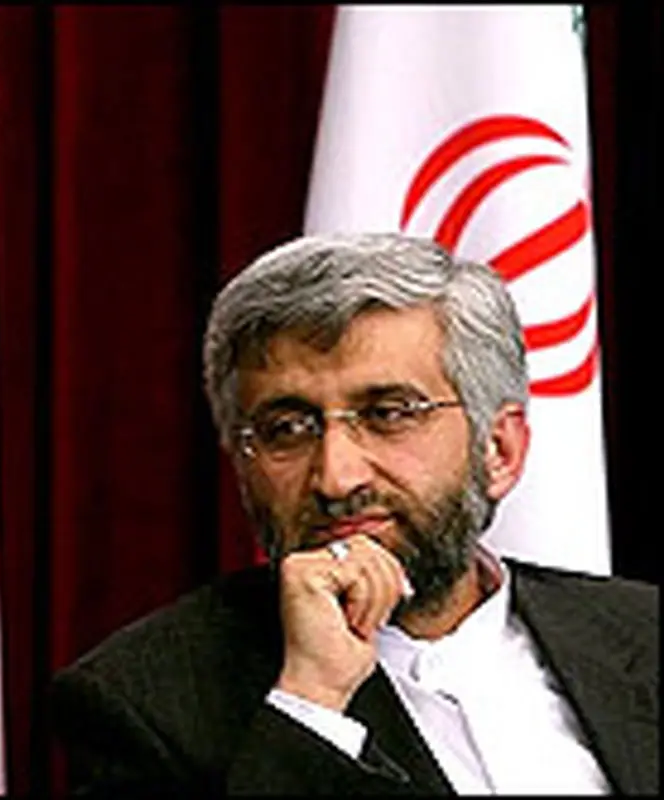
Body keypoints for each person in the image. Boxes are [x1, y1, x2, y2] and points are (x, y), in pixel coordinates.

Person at [50, 232, 658, 795]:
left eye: (389, 413)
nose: (337, 478)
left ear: (498, 450)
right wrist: (312, 702)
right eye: (287, 428)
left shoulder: (644, 632)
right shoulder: (143, 703)